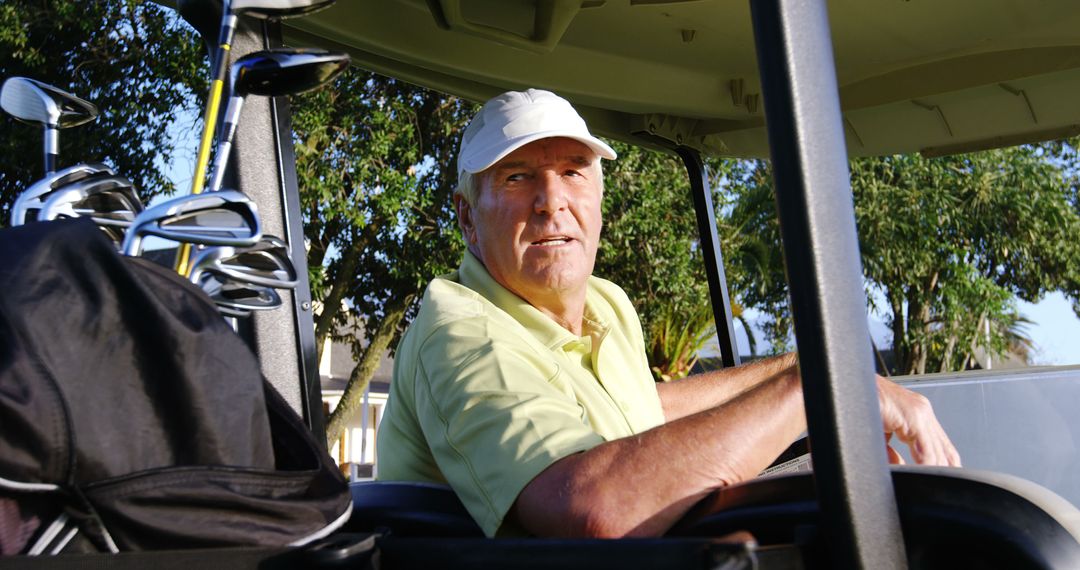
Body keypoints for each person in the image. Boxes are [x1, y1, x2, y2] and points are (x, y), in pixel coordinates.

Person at [375, 88, 961, 539]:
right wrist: (816, 389)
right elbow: (594, 508)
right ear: (467, 218)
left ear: (599, 200)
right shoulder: (460, 332)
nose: (551, 200)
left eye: (573, 172)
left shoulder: (605, 303)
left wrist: (803, 366)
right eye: (518, 176)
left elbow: (640, 407)